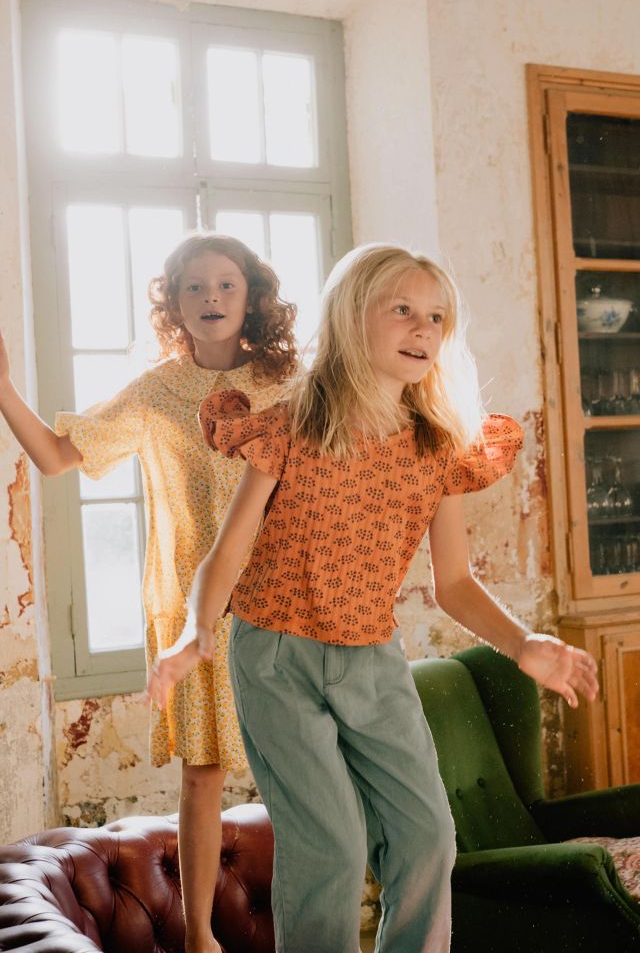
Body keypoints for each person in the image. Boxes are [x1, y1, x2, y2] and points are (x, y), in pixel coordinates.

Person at [147, 243, 599, 953]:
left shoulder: (440, 447)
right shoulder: (292, 426)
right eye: (403, 310)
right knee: (329, 844)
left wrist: (524, 645)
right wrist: (192, 632)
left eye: (436, 317)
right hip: (277, 657)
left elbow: (454, 583)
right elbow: (226, 554)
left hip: (372, 659)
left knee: (427, 836)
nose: (423, 328)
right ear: (354, 318)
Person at [0, 232, 297, 953]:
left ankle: (306, 929)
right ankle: (199, 939)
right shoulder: (156, 391)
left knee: (297, 774)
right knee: (203, 774)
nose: (211, 298)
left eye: (226, 285)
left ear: (252, 297)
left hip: (283, 599)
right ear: (174, 302)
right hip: (190, 608)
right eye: (194, 286)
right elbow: (55, 457)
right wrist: (3, 389)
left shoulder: (288, 384)